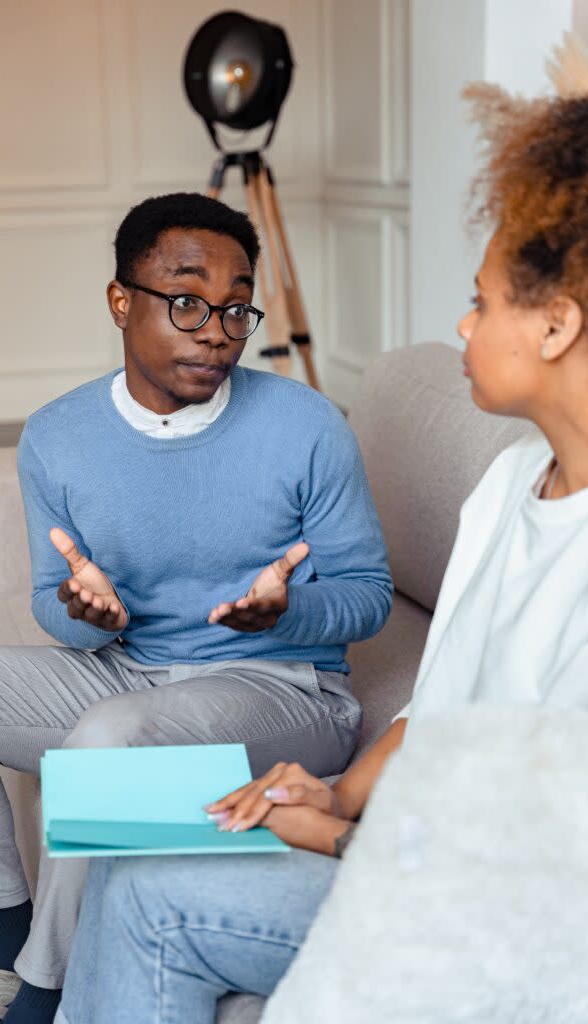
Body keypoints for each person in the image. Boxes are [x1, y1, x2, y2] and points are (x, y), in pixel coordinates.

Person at [56, 86, 588, 1024]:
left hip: (526, 926)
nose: (461, 327)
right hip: (431, 849)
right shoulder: (513, 483)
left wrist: (342, 839)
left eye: (481, 301)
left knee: (155, 895)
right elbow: (445, 705)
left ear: (554, 326)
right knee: (136, 849)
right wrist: (335, 791)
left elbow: (546, 858)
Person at [0, 192, 392, 1024]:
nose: (216, 330)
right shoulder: (58, 435)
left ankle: (45, 999)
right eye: (188, 300)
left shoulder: (307, 425)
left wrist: (283, 614)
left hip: (280, 691)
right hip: (126, 669)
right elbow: (47, 603)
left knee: (108, 740)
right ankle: (5, 959)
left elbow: (368, 597)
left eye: (236, 307)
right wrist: (87, 615)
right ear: (121, 301)